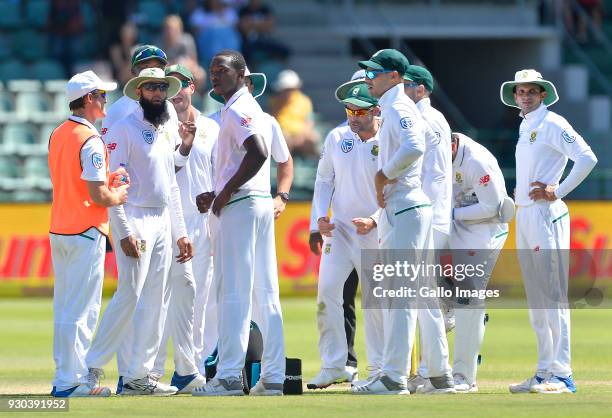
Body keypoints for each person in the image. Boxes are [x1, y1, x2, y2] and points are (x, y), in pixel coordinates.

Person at [351, 49, 454, 395]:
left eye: (375, 73)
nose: (369, 79)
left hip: (407, 206)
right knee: (420, 294)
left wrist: (384, 175)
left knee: (402, 293)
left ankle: (394, 377)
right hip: (410, 206)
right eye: (368, 72)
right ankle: (440, 374)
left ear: (395, 75)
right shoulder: (396, 105)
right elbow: (418, 142)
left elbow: (414, 146)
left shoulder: (397, 106)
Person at [85, 68, 194, 396]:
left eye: (162, 87)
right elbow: (110, 183)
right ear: (138, 92)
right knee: (130, 293)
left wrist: (181, 232)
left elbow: (170, 186)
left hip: (161, 219)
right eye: (151, 88)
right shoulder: (122, 129)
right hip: (135, 216)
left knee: (156, 299)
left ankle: (138, 377)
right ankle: (90, 367)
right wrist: (123, 230)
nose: (158, 93)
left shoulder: (165, 128)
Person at [192, 50, 285, 396]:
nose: (215, 76)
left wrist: (224, 193)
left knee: (232, 292)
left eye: (223, 70)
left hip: (243, 205)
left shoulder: (238, 108)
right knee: (266, 293)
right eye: (213, 71)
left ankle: (229, 376)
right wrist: (218, 191)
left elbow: (259, 152)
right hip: (256, 202)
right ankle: (274, 376)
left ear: (242, 74)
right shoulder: (251, 108)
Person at [501, 69, 597, 394]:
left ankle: (563, 374)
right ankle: (544, 371)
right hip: (526, 216)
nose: (526, 96)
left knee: (553, 296)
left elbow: (587, 158)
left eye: (532, 91)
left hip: (546, 215)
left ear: (543, 95)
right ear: (515, 96)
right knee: (536, 300)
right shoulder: (525, 124)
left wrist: (558, 190)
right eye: (521, 91)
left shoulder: (553, 123)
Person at [48, 71, 128, 398]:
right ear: (88, 100)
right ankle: (71, 380)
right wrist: (117, 195)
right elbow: (97, 196)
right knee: (82, 309)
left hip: (61, 228)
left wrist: (108, 179)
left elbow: (73, 179)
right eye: (101, 95)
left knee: (66, 306)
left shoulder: (58, 133)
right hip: (85, 229)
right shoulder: (90, 138)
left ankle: (64, 375)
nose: (105, 100)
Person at [307, 80, 384, 390]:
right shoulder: (337, 137)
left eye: (360, 111)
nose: (353, 116)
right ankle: (334, 364)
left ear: (376, 110)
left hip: (375, 231)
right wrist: (318, 221)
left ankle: (379, 368)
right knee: (327, 293)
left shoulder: (390, 139)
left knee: (377, 303)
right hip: (339, 231)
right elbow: (324, 180)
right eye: (349, 110)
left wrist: (375, 220)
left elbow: (399, 188)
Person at [149, 64, 219, 391]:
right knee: (161, 299)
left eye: (181, 86)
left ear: (192, 87)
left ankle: (192, 370)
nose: (175, 94)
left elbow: (225, 171)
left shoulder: (212, 127)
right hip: (166, 221)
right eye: (169, 86)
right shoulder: (159, 126)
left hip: (201, 223)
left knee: (199, 298)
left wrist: (216, 196)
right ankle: (149, 371)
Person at [401, 65, 455, 392]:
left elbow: (430, 176)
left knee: (423, 297)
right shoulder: (427, 118)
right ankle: (430, 371)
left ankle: (433, 372)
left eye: (406, 85)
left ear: (421, 89)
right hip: (429, 215)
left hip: (429, 218)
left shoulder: (427, 120)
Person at [448, 132, 513, 393]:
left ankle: (465, 377)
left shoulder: (477, 161)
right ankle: (430, 373)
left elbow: (493, 207)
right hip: (455, 223)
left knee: (469, 296)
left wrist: (451, 213)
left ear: (452, 145)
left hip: (487, 228)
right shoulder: (435, 154)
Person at [269, 69, 320, 158]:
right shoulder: (274, 101)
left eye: (291, 89)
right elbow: (273, 122)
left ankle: (318, 166)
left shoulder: (304, 100)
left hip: (301, 134)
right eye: (286, 89)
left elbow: (309, 122)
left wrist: (301, 136)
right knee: (284, 140)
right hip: (283, 134)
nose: (288, 92)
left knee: (313, 139)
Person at [110, 22, 140, 87]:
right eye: (124, 35)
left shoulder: (138, 49)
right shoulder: (115, 49)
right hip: (120, 83)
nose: (126, 38)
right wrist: (130, 54)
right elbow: (121, 73)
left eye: (129, 35)